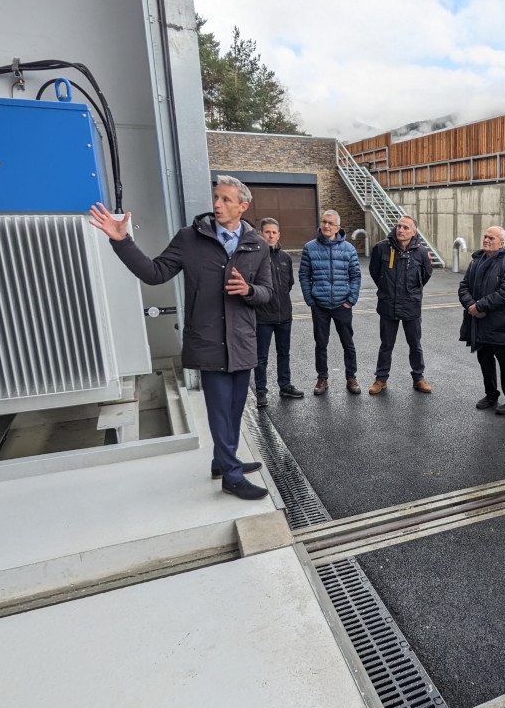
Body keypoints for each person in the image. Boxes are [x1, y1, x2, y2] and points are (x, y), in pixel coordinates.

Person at [88, 176, 270, 500]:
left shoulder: (257, 244)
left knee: (235, 407)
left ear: (243, 206)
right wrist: (122, 242)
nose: (217, 204)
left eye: (226, 199)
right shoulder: (190, 239)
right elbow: (154, 273)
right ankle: (230, 476)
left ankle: (221, 460)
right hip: (209, 341)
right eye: (216, 197)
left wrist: (249, 290)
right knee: (219, 409)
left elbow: (268, 293)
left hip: (242, 341)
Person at [459, 226, 505, 414]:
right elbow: (464, 286)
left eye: (491, 238)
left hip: (499, 323)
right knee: (484, 358)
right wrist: (472, 305)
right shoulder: (476, 261)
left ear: (501, 243)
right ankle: (491, 394)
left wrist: (480, 306)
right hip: (477, 322)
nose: (486, 239)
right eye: (485, 236)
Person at [368, 216, 433, 394]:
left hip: (411, 306)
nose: (400, 230)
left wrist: (411, 292)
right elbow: (375, 271)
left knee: (415, 344)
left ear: (413, 232)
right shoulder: (382, 248)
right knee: (386, 345)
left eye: (405, 227)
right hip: (388, 305)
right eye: (399, 226)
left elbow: (426, 275)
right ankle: (381, 379)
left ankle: (418, 378)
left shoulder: (421, 252)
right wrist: (386, 288)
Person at [300, 210, 362, 395]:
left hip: (342, 304)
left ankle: (351, 377)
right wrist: (310, 299)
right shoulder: (310, 248)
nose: (326, 226)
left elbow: (355, 276)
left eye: (330, 223)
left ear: (338, 227)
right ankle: (322, 378)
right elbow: (304, 275)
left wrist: (351, 300)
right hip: (320, 305)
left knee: (348, 343)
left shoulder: (349, 249)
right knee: (321, 343)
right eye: (324, 222)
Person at [253, 217, 305, 408]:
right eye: (267, 232)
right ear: (260, 234)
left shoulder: (285, 258)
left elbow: (289, 283)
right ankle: (261, 391)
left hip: (284, 316)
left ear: (279, 235)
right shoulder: (255, 258)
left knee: (284, 353)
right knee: (261, 357)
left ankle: (285, 386)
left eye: (274, 232)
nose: (271, 235)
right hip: (263, 317)